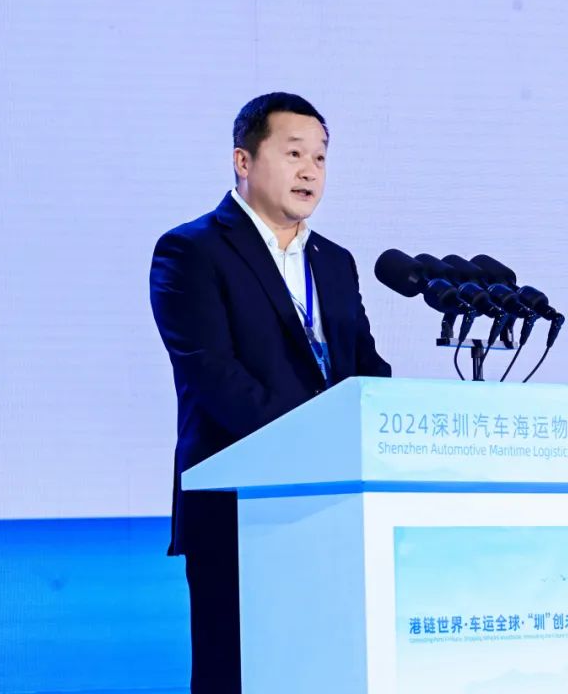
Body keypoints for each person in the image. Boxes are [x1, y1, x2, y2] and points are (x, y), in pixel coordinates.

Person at [149, 92, 391, 693]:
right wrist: (323, 444)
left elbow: (364, 370)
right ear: (244, 160)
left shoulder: (335, 262)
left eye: (321, 157)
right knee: (236, 674)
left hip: (338, 508)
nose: (311, 171)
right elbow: (216, 379)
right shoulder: (191, 251)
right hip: (240, 510)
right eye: (294, 153)